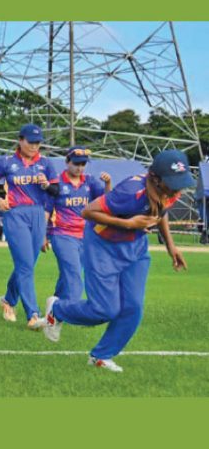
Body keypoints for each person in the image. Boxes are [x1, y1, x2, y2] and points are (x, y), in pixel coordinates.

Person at [41, 150, 193, 372]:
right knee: (104, 310)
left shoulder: (170, 191)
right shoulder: (131, 191)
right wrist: (129, 224)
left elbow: (162, 210)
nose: (178, 189)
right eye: (173, 183)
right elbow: (88, 212)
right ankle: (58, 309)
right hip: (103, 247)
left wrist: (171, 246)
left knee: (133, 307)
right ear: (156, 179)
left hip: (136, 249)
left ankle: (101, 356)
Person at [0, 123, 59, 329]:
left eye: (38, 142)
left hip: (38, 214)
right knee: (25, 265)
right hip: (15, 214)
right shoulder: (6, 162)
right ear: (20, 140)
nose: (34, 146)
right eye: (30, 142)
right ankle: (33, 314)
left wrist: (47, 185)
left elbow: (57, 191)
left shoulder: (46, 163)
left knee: (28, 264)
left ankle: (8, 300)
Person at [43, 147, 111, 301]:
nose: (80, 168)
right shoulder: (56, 183)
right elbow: (46, 210)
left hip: (85, 235)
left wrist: (108, 183)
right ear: (67, 162)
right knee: (74, 273)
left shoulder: (90, 181)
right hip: (62, 234)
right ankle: (73, 308)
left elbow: (107, 201)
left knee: (69, 273)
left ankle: (55, 305)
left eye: (83, 164)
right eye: (76, 164)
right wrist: (42, 235)